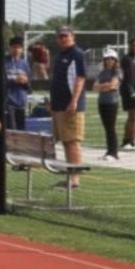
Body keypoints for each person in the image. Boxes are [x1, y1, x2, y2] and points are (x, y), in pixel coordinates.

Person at [50, 25, 86, 188]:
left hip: (70, 106)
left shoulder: (76, 54)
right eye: (61, 36)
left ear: (73, 37)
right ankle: (70, 174)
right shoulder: (59, 55)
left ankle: (75, 178)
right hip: (59, 105)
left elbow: (80, 78)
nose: (63, 38)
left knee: (73, 141)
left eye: (66, 36)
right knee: (65, 141)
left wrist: (74, 101)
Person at [93, 48, 121, 160]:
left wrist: (103, 86)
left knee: (111, 127)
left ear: (115, 60)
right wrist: (105, 86)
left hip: (112, 102)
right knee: (106, 128)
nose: (109, 61)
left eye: (111, 59)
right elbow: (94, 87)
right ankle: (109, 151)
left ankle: (113, 152)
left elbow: (113, 86)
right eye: (107, 59)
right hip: (102, 102)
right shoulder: (102, 72)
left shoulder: (117, 72)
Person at [4, 36, 31, 130]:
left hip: (21, 101)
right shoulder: (4, 62)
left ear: (22, 49)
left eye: (19, 47)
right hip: (8, 101)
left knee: (21, 130)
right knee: (12, 129)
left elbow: (29, 86)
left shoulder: (24, 63)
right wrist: (14, 81)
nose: (16, 50)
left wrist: (25, 82)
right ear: (10, 48)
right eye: (14, 47)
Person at [119, 38, 135, 150]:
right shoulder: (126, 59)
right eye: (134, 45)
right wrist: (131, 91)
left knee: (133, 116)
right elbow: (127, 78)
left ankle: (128, 140)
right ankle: (128, 141)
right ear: (129, 46)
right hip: (128, 91)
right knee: (132, 116)